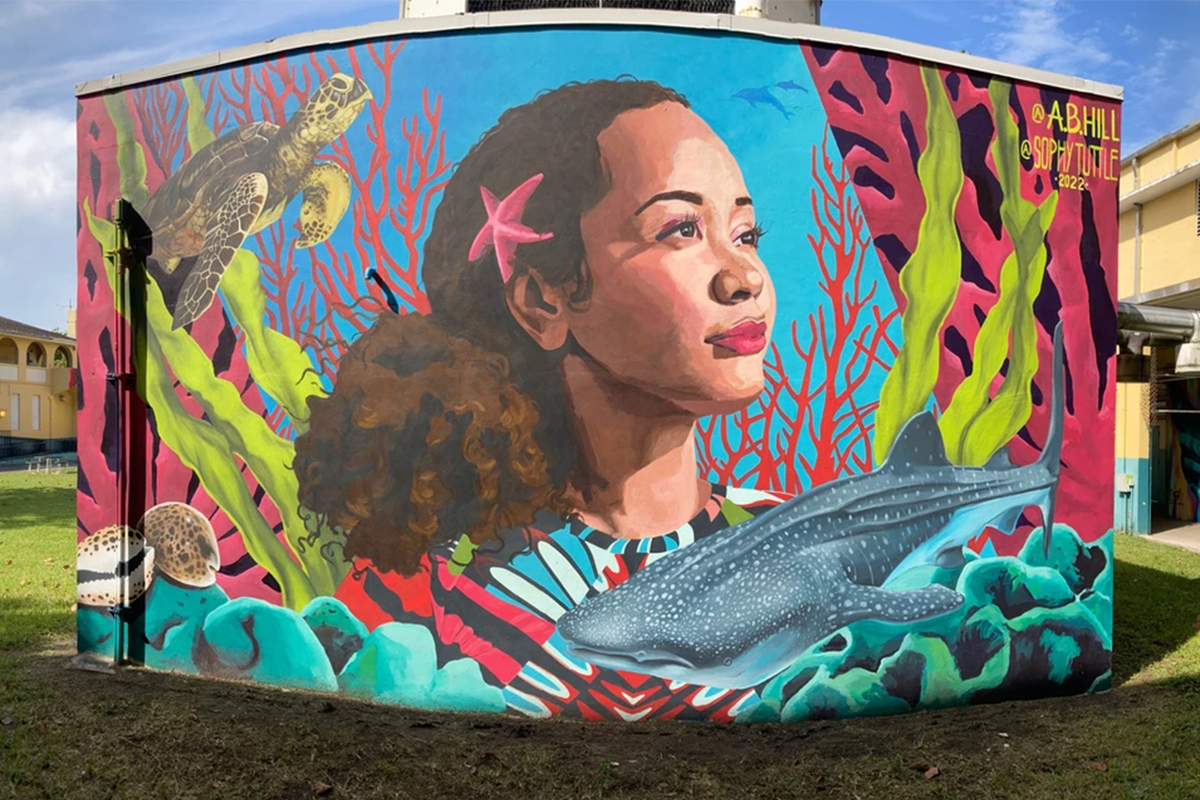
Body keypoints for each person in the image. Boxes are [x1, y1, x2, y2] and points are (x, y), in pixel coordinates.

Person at [295, 78, 789, 720]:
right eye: (680, 229)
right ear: (542, 300)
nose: (744, 276)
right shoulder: (429, 588)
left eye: (747, 233)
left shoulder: (801, 536)